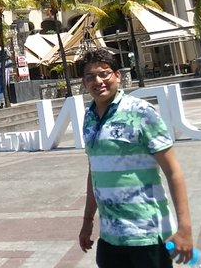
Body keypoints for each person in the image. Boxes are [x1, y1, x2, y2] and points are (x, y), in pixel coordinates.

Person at [78, 48, 194, 267]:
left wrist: (185, 229)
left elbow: (173, 171)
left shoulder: (140, 111)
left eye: (104, 73)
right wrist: (87, 222)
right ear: (84, 83)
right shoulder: (89, 116)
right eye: (90, 77)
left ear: (118, 76)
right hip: (110, 236)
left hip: (147, 234)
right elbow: (94, 170)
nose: (98, 81)